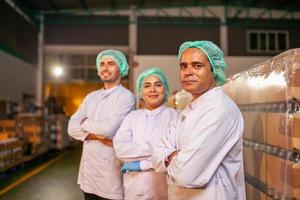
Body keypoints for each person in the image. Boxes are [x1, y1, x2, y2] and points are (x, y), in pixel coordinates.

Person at [152, 41, 245, 200]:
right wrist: (174, 157)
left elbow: (186, 174)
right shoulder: (189, 110)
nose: (188, 72)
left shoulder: (218, 110)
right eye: (183, 66)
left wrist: (168, 157)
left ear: (214, 70)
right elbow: (156, 152)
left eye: (197, 66)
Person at [68, 49, 136, 200]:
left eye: (111, 64)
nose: (105, 67)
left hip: (109, 177)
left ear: (121, 68)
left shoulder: (126, 97)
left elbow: (108, 129)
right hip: (88, 175)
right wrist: (96, 136)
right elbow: (71, 127)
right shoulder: (91, 97)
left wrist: (84, 123)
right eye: (102, 64)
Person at [113, 68, 179, 200]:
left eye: (158, 85)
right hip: (133, 189)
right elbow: (120, 149)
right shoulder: (132, 117)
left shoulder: (175, 117)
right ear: (141, 92)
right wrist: (160, 150)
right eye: (147, 86)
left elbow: (175, 156)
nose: (153, 90)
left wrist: (141, 164)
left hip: (163, 190)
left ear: (165, 89)